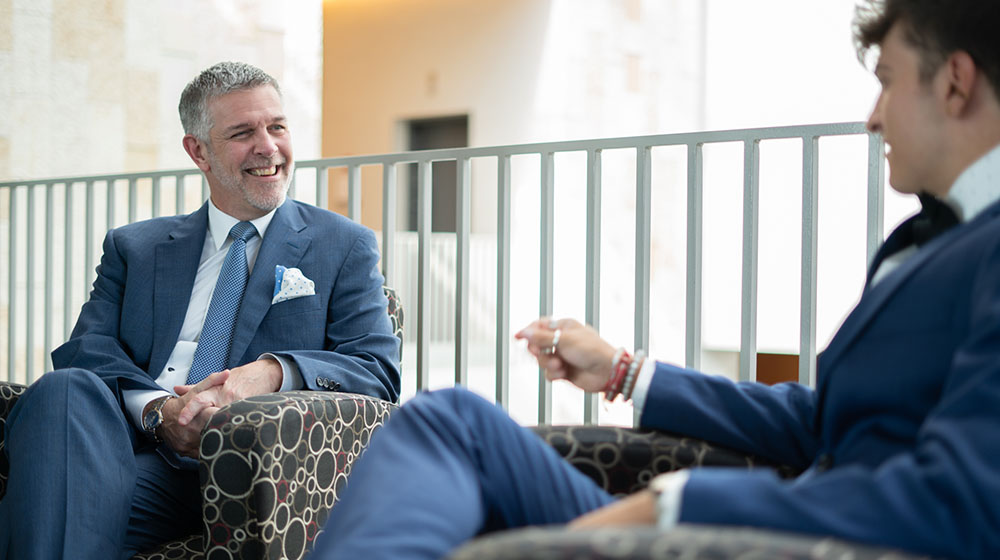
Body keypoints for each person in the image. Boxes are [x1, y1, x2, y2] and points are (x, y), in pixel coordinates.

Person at [308, 1, 1000, 558]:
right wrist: (624, 372)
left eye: (885, 81)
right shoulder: (927, 239)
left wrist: (679, 503)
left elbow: (963, 503)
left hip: (776, 539)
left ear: (955, 81)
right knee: (452, 420)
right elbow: (819, 422)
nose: (872, 115)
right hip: (753, 526)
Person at [0, 62, 401, 559]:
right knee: (63, 388)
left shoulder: (343, 245)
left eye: (277, 126)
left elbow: (376, 370)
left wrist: (273, 373)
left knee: (40, 514)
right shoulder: (136, 247)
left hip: (245, 470)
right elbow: (87, 348)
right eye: (242, 133)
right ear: (198, 151)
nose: (268, 146)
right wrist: (158, 412)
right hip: (122, 451)